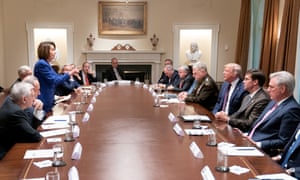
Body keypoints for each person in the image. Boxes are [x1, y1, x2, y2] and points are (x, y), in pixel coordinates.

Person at [247, 71, 300, 156]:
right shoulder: (273, 102)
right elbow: (259, 125)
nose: (268, 90)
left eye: (271, 87)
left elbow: (284, 141)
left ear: (282, 89)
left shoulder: (292, 109)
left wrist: (258, 144)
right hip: (249, 143)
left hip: (264, 152)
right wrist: (246, 135)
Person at [34, 41, 79, 115]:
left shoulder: (47, 64)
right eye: (52, 49)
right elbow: (55, 81)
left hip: (50, 99)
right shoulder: (41, 64)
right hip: (44, 100)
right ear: (45, 51)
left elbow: (57, 77)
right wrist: (70, 72)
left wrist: (57, 97)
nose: (55, 52)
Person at [0, 82, 42, 159]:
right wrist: (36, 110)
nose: (34, 99)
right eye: (32, 96)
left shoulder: (11, 100)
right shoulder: (15, 113)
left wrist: (37, 111)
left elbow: (30, 127)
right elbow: (35, 136)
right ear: (24, 99)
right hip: (6, 155)